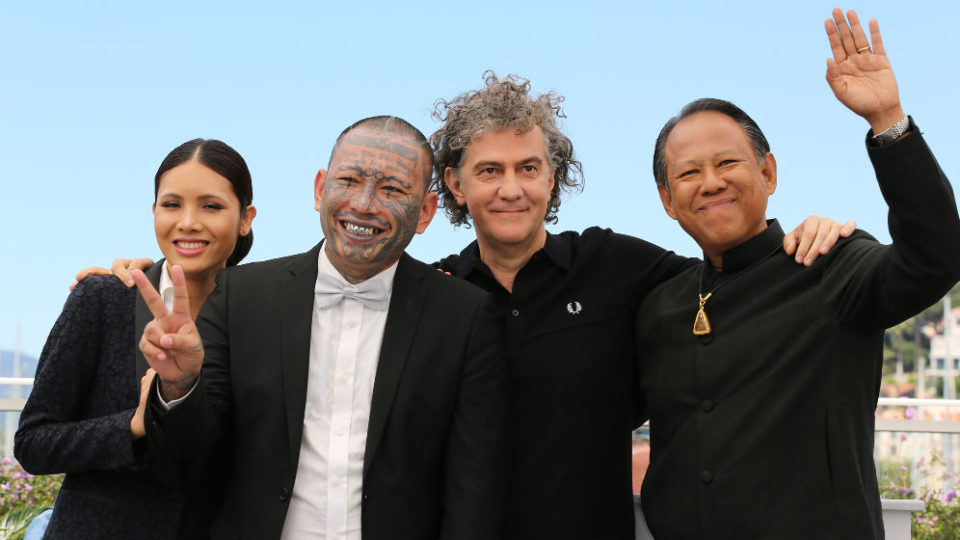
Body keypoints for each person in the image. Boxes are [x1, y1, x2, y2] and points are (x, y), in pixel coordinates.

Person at [428, 72, 854, 537]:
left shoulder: (613, 265)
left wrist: (802, 238)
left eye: (528, 168)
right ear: (454, 184)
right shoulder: (436, 294)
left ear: (552, 179)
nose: (511, 189)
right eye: (489, 170)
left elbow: (730, 280)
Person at [635, 9, 960, 539]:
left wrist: (889, 120)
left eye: (728, 164)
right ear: (668, 201)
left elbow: (936, 256)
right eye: (689, 173)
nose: (710, 182)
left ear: (768, 173)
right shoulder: (660, 304)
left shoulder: (830, 263)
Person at [133, 116, 509, 540]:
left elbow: (473, 486)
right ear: (319, 190)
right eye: (348, 180)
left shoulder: (465, 315)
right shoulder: (241, 295)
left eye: (392, 189)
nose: (364, 204)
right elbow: (187, 461)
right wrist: (181, 386)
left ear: (424, 212)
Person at [15, 138, 258, 539]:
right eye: (172, 204)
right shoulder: (104, 299)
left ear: (245, 218)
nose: (188, 222)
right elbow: (33, 442)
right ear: (154, 211)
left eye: (211, 206)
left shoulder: (262, 314)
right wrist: (131, 425)